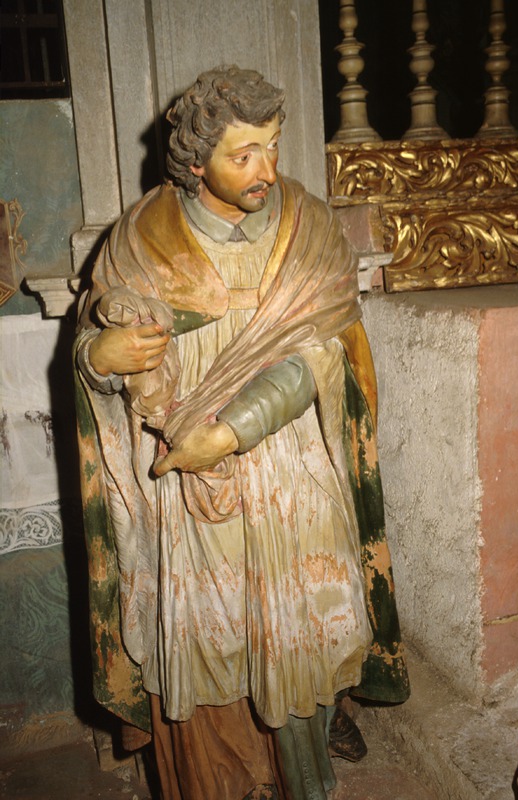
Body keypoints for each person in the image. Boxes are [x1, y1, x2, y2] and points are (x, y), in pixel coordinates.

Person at [74, 65, 409, 800]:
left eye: (273, 146)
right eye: (244, 154)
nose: (267, 170)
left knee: (300, 630)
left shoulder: (309, 229)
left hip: (288, 465)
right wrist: (101, 358)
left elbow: (328, 355)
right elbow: (91, 350)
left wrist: (230, 433)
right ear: (197, 164)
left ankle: (307, 759)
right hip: (184, 478)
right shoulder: (140, 239)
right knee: (209, 633)